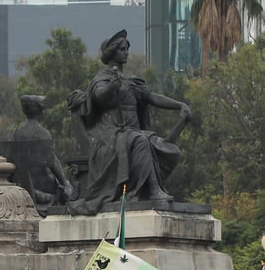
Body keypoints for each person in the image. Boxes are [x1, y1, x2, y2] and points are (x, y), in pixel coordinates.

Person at [66, 29, 191, 215]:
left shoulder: (130, 81)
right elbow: (99, 96)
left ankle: (146, 190)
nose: (126, 52)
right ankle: (154, 190)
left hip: (131, 131)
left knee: (168, 149)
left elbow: (152, 97)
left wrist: (179, 105)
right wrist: (111, 87)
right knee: (141, 141)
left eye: (127, 49)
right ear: (112, 53)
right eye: (122, 49)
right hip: (111, 133)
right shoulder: (103, 78)